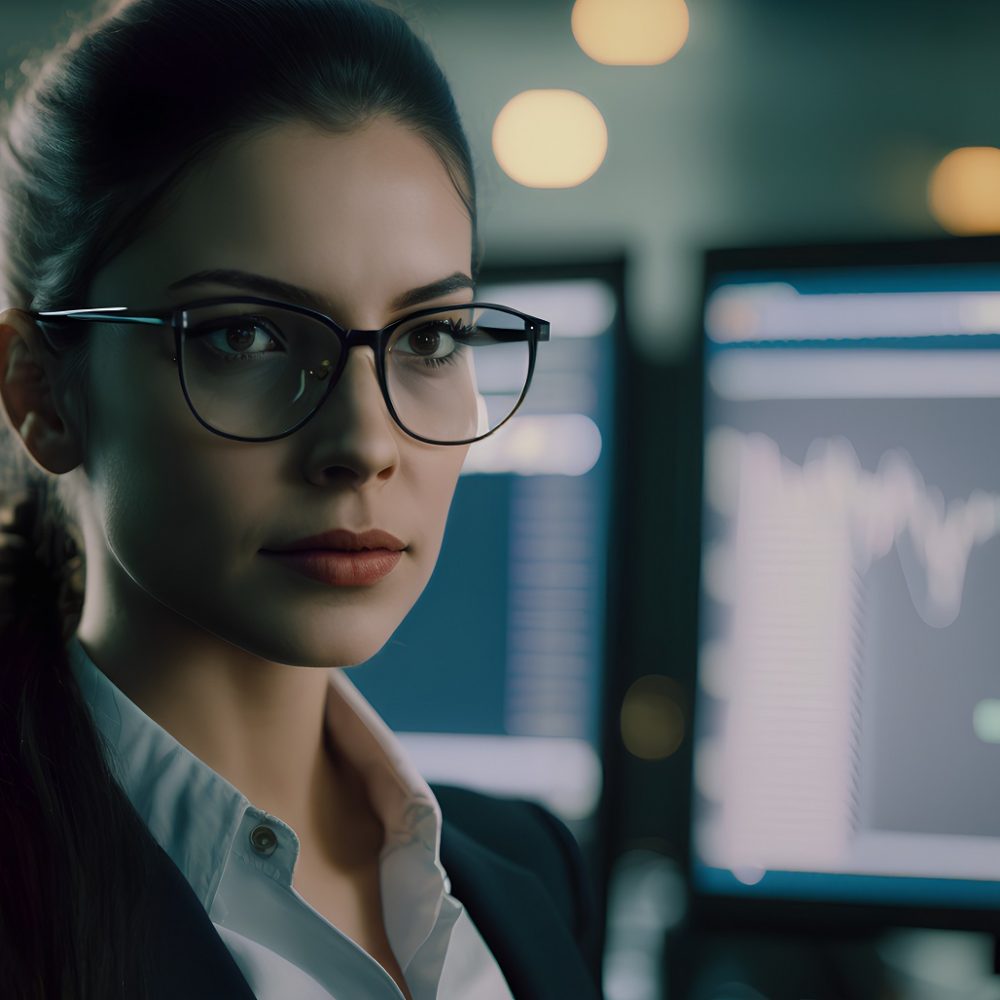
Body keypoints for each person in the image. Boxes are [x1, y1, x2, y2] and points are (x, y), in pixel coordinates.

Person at [0, 1, 602, 997]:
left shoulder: (529, 866)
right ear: (40, 391)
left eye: (429, 338)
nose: (363, 444)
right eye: (246, 336)